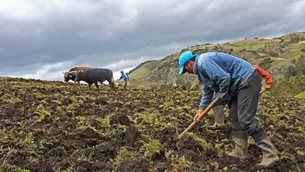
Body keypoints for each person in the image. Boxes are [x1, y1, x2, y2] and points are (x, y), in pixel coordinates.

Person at [178, 50, 279, 167]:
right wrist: (200, 111)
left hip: (246, 80)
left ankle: (270, 155)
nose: (188, 73)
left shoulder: (204, 63)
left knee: (246, 119)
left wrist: (221, 94)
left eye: (186, 70)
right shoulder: (202, 69)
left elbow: (224, 78)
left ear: (189, 63)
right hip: (238, 85)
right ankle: (240, 152)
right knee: (234, 117)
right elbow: (207, 91)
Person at [208, 61, 272, 129]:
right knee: (233, 105)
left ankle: (257, 125)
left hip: (252, 88)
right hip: (237, 89)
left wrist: (268, 83)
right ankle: (223, 123)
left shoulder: (253, 68)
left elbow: (266, 74)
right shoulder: (231, 70)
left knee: (255, 107)